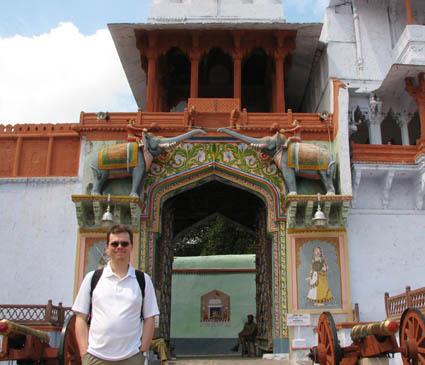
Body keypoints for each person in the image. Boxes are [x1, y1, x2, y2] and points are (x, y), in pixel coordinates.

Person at [72, 224, 159, 365]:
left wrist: (143, 350)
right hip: (96, 357)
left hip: (131, 357)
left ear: (131, 247)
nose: (119, 247)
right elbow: (80, 317)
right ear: (107, 248)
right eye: (114, 244)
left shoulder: (143, 280)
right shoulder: (93, 278)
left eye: (124, 243)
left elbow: (150, 318)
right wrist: (84, 353)